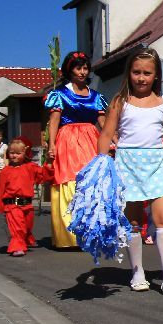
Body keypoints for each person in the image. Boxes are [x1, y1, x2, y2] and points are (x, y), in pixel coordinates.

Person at [97, 48, 163, 294]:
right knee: (134, 222)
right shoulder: (119, 102)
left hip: (157, 164)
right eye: (136, 72)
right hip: (128, 164)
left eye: (147, 73)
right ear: (129, 73)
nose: (141, 78)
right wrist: (101, 165)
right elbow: (106, 134)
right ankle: (137, 272)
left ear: (156, 75)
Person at [45, 51, 108, 249]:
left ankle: (91, 233)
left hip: (90, 139)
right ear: (69, 70)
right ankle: (70, 237)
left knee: (92, 183)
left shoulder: (96, 96)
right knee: (69, 182)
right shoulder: (60, 94)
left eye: (85, 68)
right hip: (67, 140)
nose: (82, 72)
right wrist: (51, 145)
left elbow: (103, 123)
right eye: (78, 68)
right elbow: (54, 121)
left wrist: (115, 140)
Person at [0, 138, 54, 256]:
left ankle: (25, 239)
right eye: (11, 153)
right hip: (12, 205)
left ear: (24, 153)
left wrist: (49, 161)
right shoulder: (5, 171)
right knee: (18, 227)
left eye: (17, 153)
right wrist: (0, 205)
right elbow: (0, 189)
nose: (14, 156)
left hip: (27, 204)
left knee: (26, 226)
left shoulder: (30, 167)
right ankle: (17, 247)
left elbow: (43, 176)